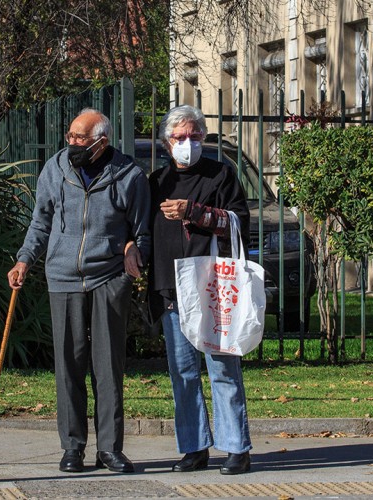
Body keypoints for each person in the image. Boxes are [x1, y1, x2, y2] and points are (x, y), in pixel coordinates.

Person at [7, 108, 151, 474]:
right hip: (63, 278)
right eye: (70, 136)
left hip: (108, 277)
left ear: (101, 142)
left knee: (108, 368)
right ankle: (72, 447)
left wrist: (135, 251)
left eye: (80, 139)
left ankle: (110, 449)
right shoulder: (55, 169)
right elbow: (40, 220)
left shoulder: (130, 175)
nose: (72, 143)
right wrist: (25, 259)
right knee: (69, 367)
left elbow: (142, 231)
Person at [146, 104, 253, 474]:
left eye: (194, 136)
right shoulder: (156, 182)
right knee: (183, 373)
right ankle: (194, 447)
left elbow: (239, 222)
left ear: (203, 138)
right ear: (165, 142)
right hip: (171, 289)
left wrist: (193, 211)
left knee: (222, 368)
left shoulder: (221, 175)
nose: (187, 143)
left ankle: (236, 446)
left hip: (213, 289)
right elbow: (143, 231)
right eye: (179, 137)